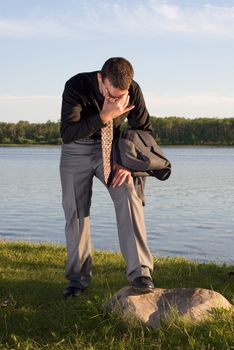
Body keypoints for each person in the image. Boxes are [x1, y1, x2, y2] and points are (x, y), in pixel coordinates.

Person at [60, 57, 154, 298]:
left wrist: (127, 164)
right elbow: (68, 132)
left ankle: (140, 272)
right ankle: (77, 279)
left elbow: (143, 129)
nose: (113, 100)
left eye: (118, 97)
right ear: (101, 79)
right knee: (76, 211)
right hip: (76, 150)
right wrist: (104, 115)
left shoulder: (132, 90)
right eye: (109, 94)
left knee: (128, 194)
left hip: (112, 151)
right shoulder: (76, 85)